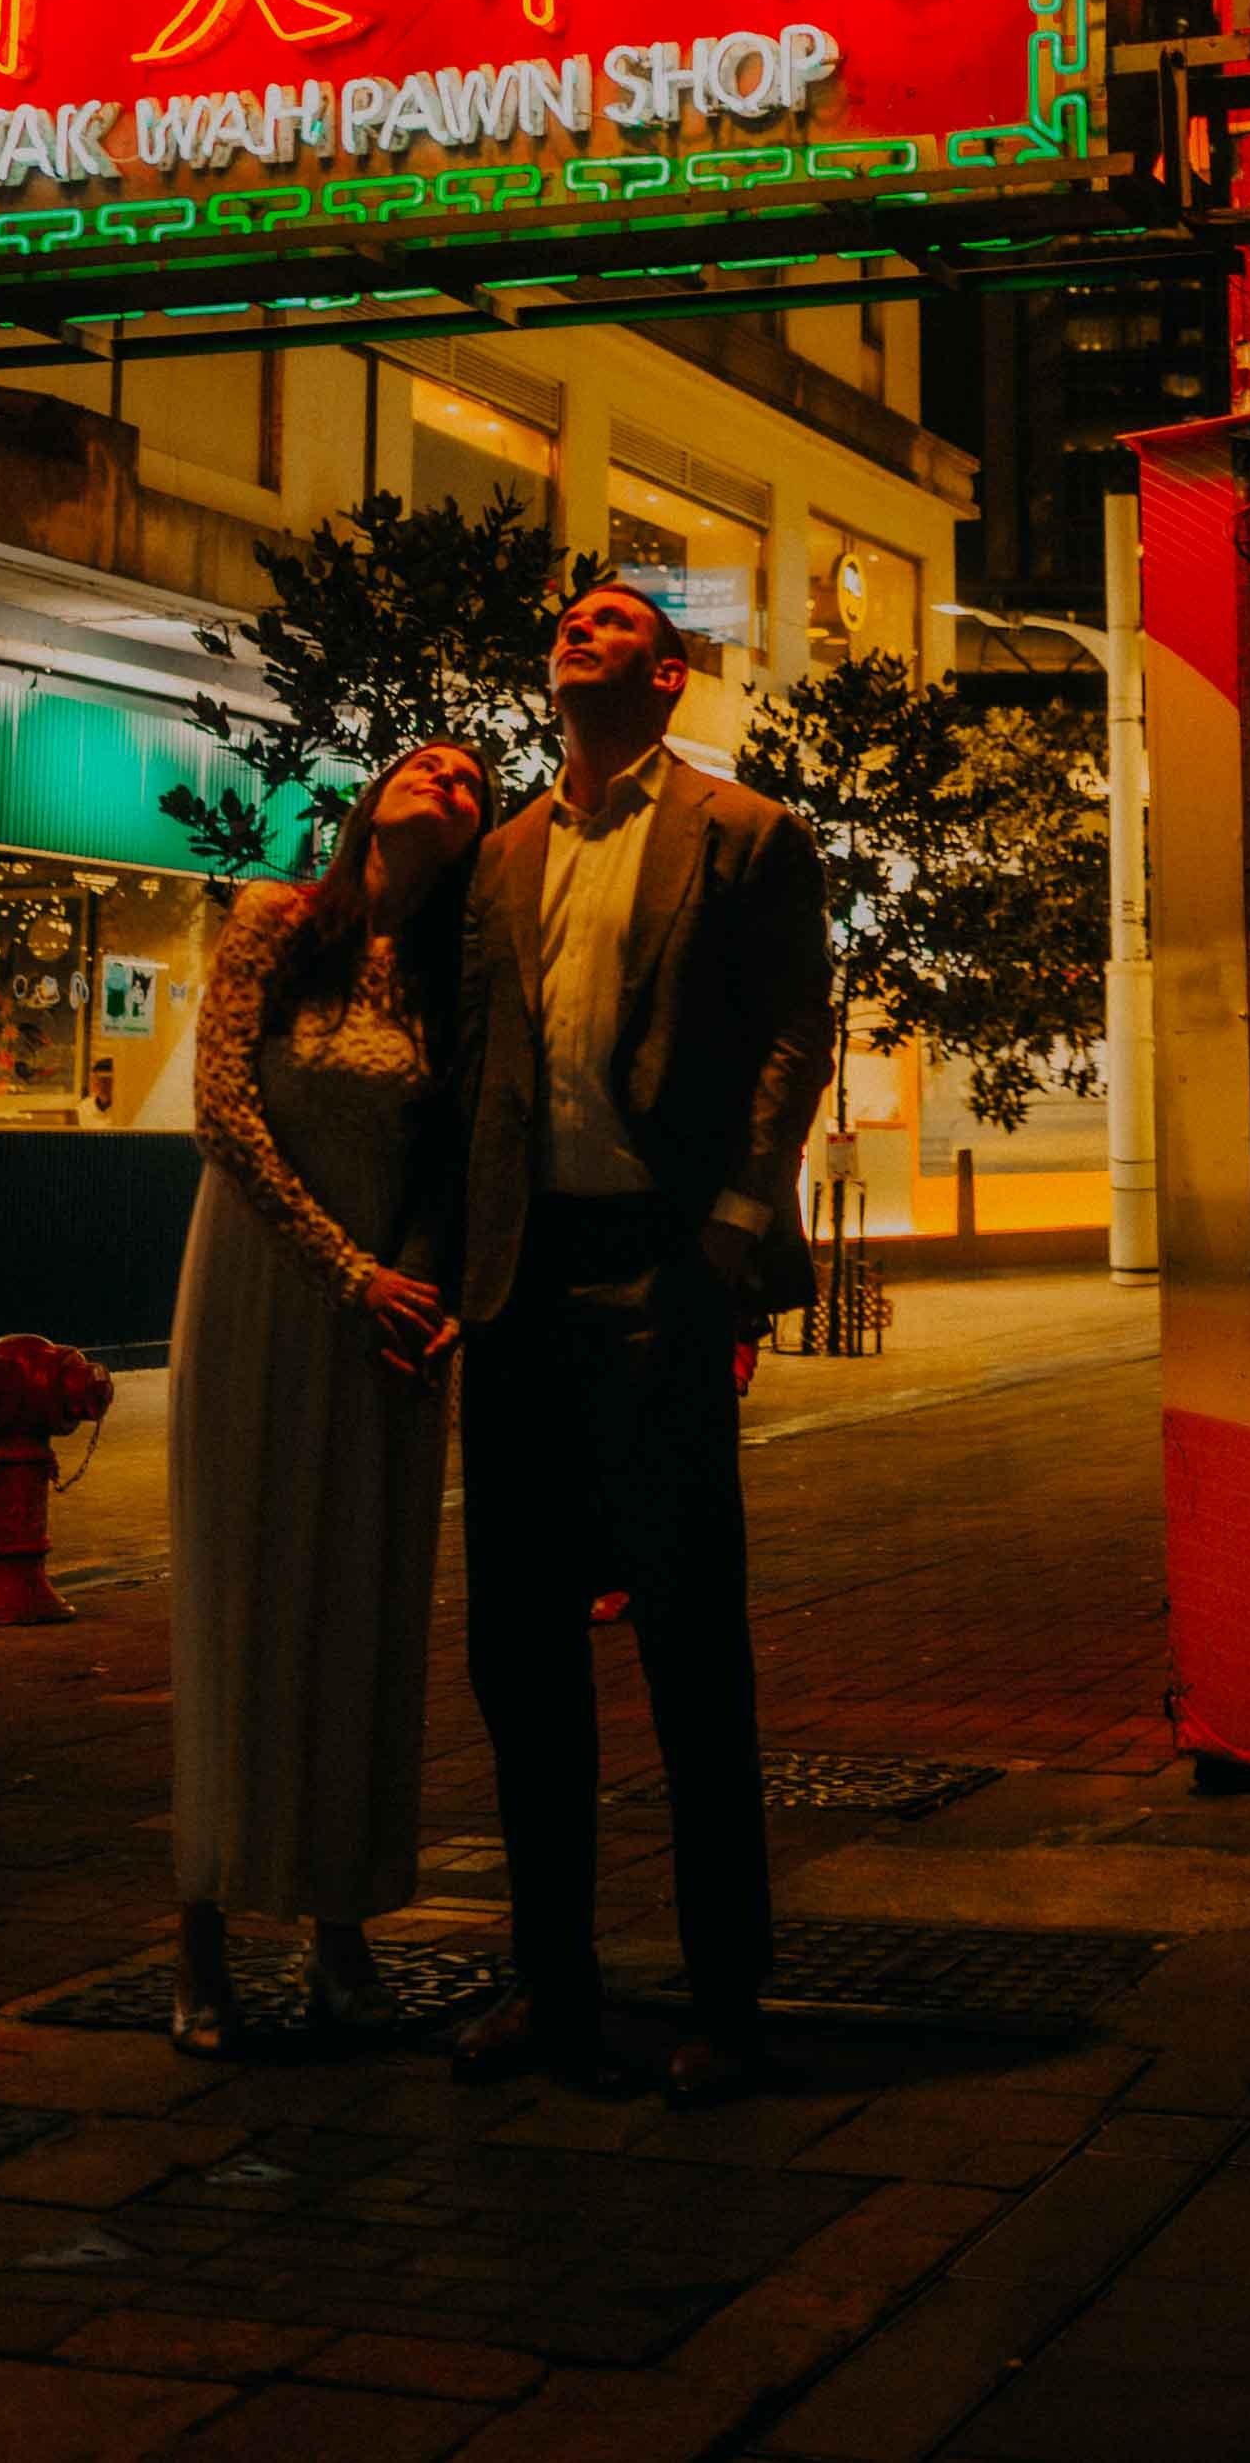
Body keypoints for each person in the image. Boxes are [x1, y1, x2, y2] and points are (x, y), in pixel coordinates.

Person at [450, 579, 835, 2109]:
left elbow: (798, 1027)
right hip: (522, 1283)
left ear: (671, 676)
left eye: (612, 620)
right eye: (565, 617)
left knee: (690, 1648)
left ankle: (724, 2001)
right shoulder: (501, 858)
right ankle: (555, 1990)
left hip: (661, 1267)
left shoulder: (744, 834)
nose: (574, 626)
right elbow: (481, 1065)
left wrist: (737, 1229)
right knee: (518, 1660)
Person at [166, 735, 492, 2054]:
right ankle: (201, 1941)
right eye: (427, 765)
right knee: (243, 1604)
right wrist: (346, 1270)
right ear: (371, 800)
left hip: (388, 1332)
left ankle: (341, 1931)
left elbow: (453, 1153)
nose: (448, 783)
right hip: (261, 1287)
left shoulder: (448, 979)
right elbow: (219, 1107)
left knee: (359, 1615)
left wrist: (407, 1281)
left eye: (474, 783)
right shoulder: (275, 919)